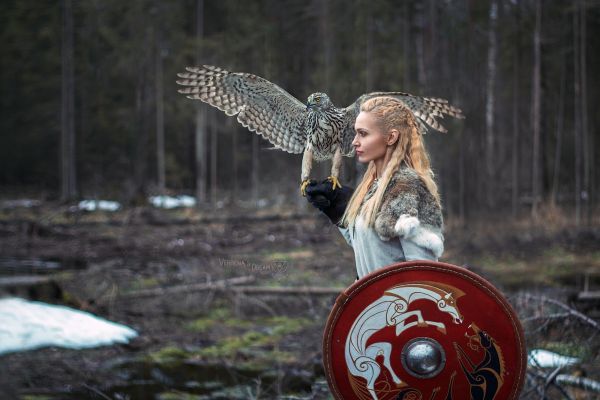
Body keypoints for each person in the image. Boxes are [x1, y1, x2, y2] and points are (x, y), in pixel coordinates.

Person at [305, 96, 444, 280]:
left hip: (398, 306)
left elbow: (423, 278)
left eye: (363, 133)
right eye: (355, 133)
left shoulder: (407, 189)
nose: (355, 141)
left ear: (391, 137)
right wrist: (338, 210)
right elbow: (372, 250)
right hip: (374, 305)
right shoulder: (374, 186)